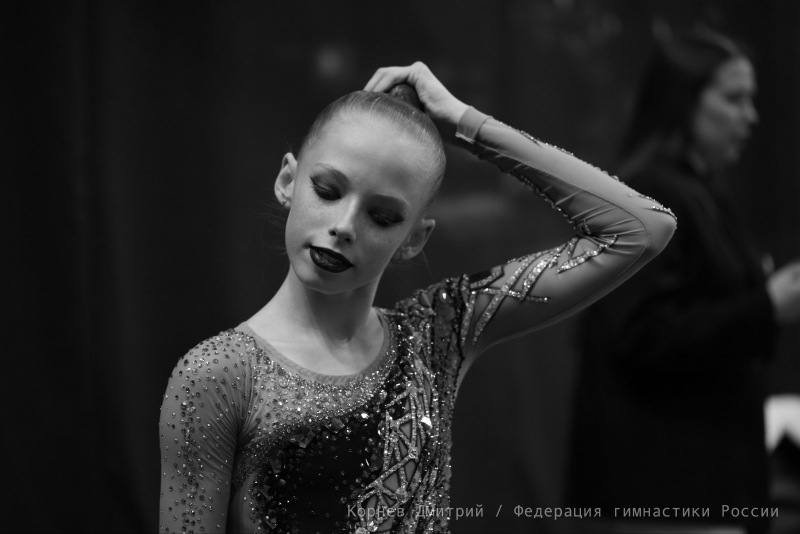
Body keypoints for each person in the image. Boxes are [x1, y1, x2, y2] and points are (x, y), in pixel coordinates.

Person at [158, 61, 676, 533]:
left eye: (382, 217)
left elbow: (642, 229)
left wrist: (466, 125)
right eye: (328, 191)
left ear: (414, 239)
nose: (344, 226)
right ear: (287, 181)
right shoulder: (219, 375)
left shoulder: (437, 333)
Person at [566, 30, 800, 533]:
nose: (750, 117)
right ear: (684, 101)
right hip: (665, 493)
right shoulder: (651, 195)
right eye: (734, 99)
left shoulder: (697, 192)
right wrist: (766, 306)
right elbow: (641, 333)